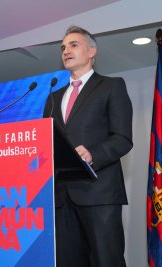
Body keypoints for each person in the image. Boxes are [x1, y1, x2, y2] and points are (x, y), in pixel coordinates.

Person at [43, 26, 133, 267]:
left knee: (107, 260)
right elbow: (46, 142)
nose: (66, 51)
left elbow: (122, 138)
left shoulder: (111, 86)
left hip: (99, 192)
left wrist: (93, 154)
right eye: (63, 47)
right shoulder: (53, 97)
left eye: (73, 45)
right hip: (62, 196)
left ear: (92, 51)